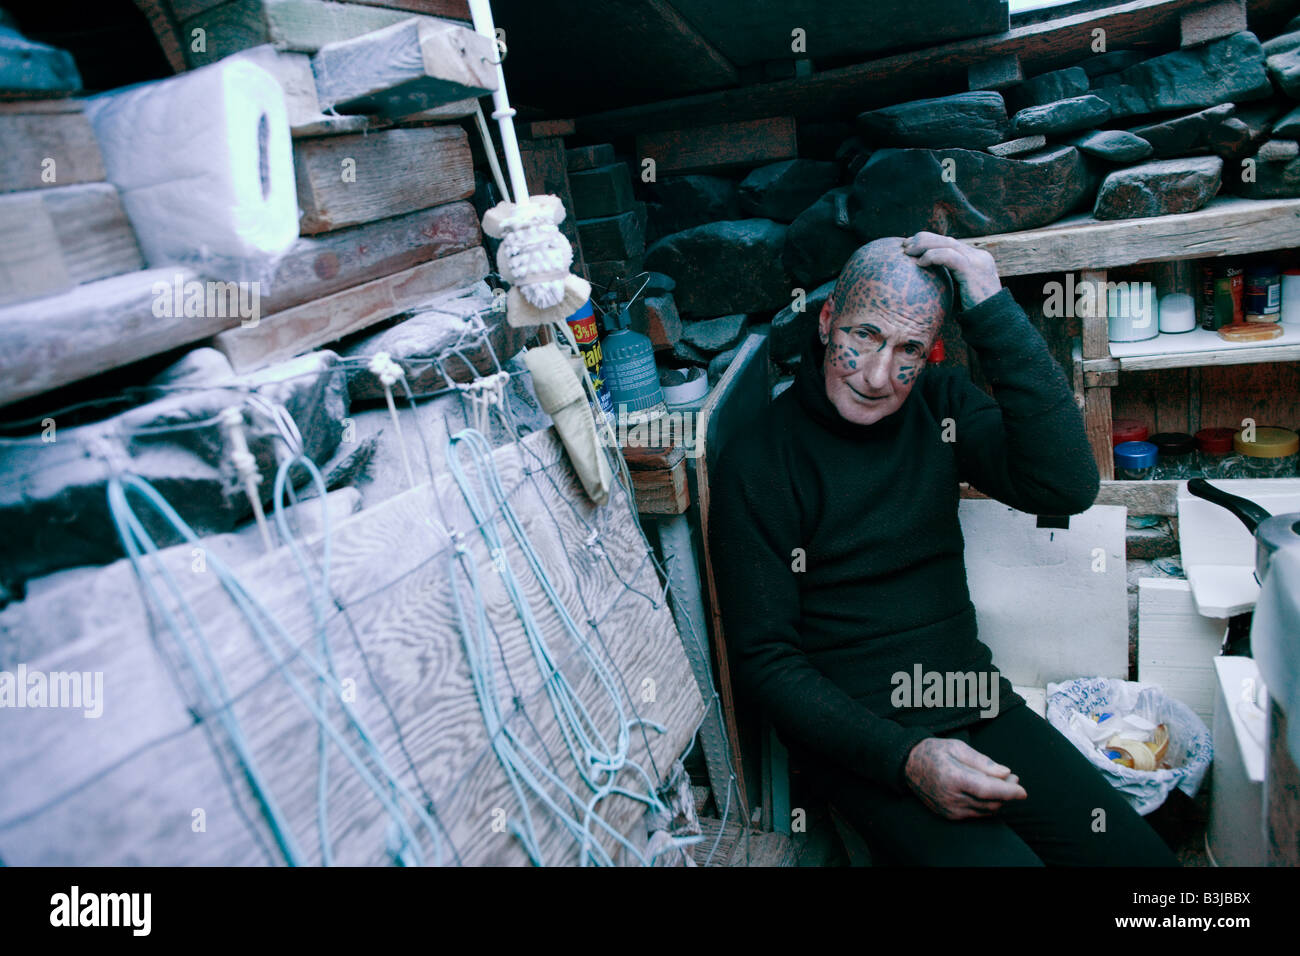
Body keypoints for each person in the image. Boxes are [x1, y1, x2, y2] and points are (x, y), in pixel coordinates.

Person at [708, 232, 1178, 866]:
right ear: (826, 322)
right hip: (862, 738)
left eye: (907, 349)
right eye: (864, 336)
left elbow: (1065, 486)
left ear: (931, 353)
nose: (877, 375)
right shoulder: (760, 459)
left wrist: (990, 304)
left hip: (968, 697)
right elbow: (765, 662)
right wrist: (904, 759)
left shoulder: (940, 403)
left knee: (1147, 874)